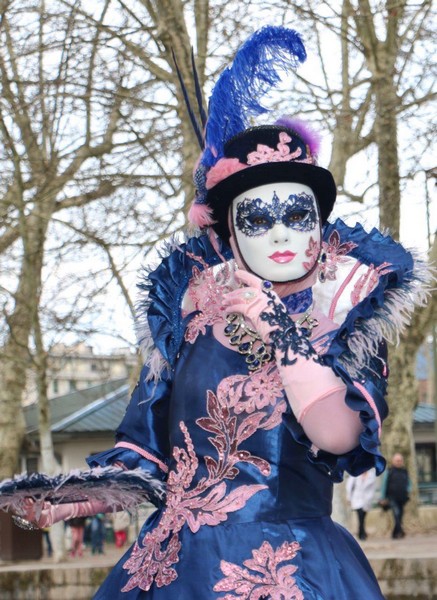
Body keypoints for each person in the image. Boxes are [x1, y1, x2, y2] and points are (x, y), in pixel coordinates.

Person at [6, 26, 429, 599]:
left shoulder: (349, 302)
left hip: (289, 566)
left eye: (297, 214)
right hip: (174, 568)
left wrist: (274, 324)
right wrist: (82, 496)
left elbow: (335, 434)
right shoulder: (191, 310)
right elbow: (150, 451)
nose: (280, 232)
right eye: (257, 218)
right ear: (228, 230)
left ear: (320, 221)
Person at [380, 452, 411, 539]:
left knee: (400, 516)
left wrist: (408, 490)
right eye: (397, 460)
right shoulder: (389, 471)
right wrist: (382, 497)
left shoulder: (405, 471)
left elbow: (409, 483)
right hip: (391, 497)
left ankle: (395, 534)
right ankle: (401, 531)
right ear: (393, 461)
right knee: (396, 514)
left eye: (400, 460)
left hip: (402, 497)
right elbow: (384, 485)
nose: (399, 462)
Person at [346, 469, 377, 540]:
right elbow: (349, 486)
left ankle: (362, 532)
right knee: (360, 516)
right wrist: (349, 497)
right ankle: (362, 534)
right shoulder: (355, 474)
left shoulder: (371, 475)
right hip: (357, 498)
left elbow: (372, 489)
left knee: (363, 517)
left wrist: (370, 498)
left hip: (367, 499)